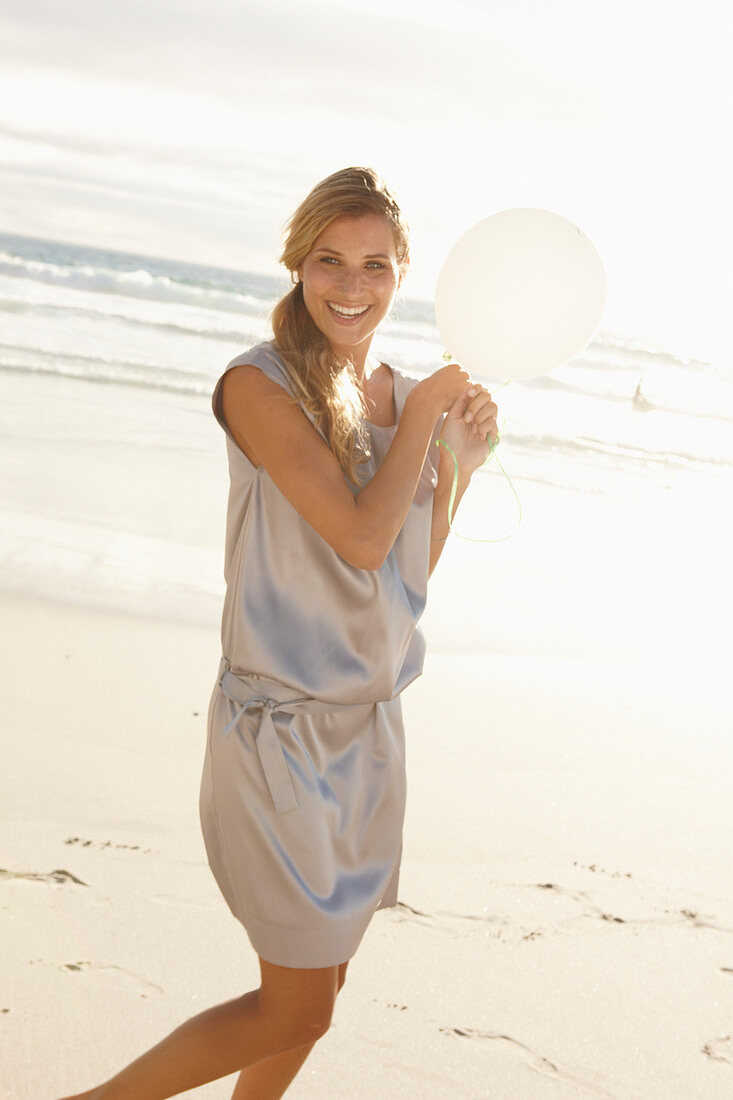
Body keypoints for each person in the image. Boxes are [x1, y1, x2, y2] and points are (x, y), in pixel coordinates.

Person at [59, 166, 499, 1100]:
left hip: (368, 736)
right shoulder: (256, 386)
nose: (352, 285)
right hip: (280, 733)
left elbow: (398, 574)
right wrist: (424, 422)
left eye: (375, 265)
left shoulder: (400, 393)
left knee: (322, 986)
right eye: (330, 260)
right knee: (298, 1007)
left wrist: (458, 462)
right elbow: (357, 534)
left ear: (401, 273)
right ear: (297, 264)